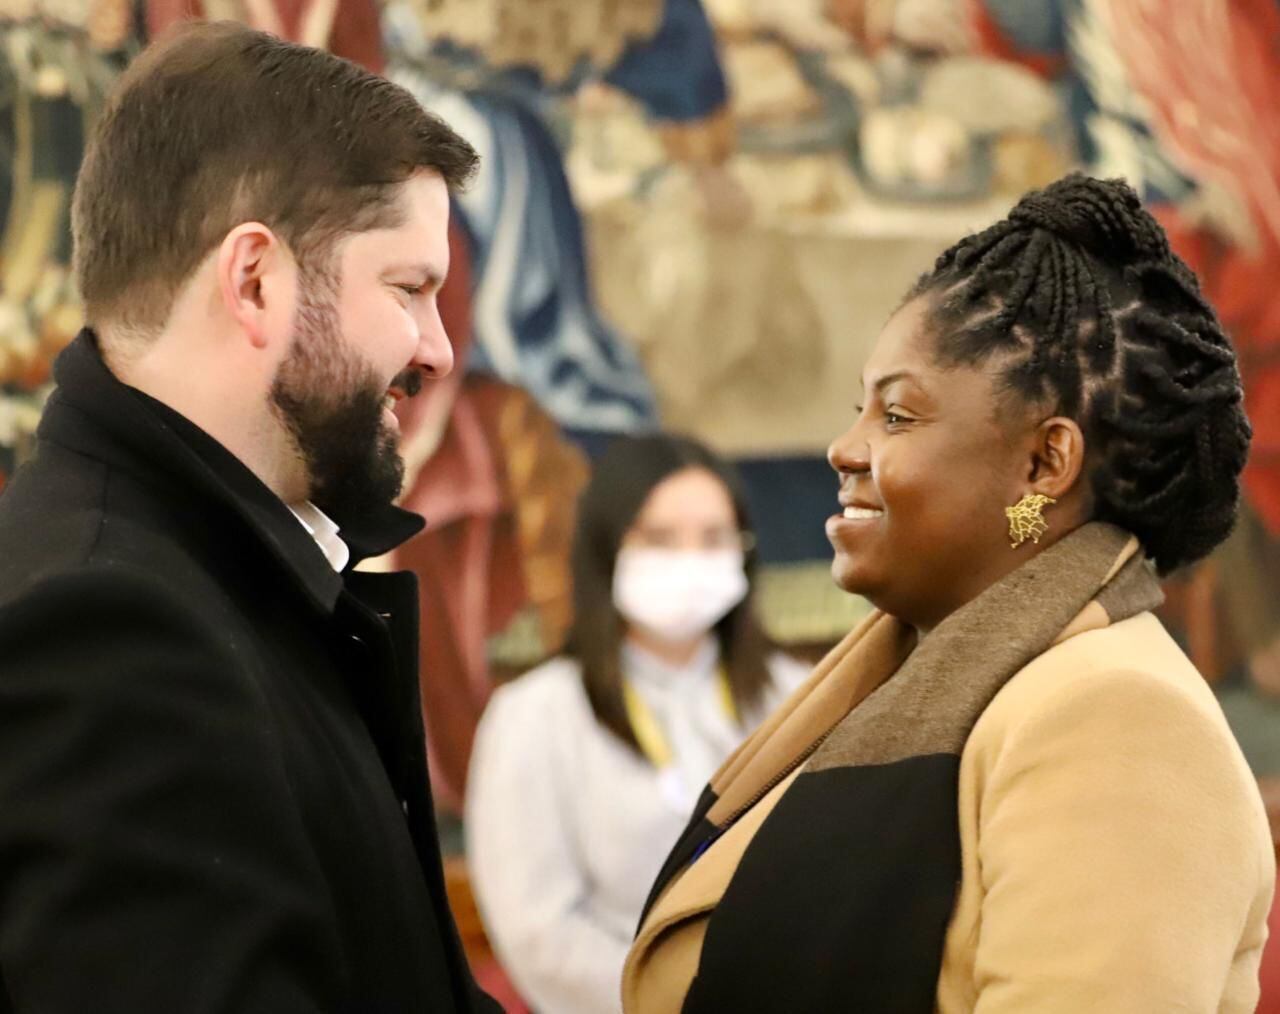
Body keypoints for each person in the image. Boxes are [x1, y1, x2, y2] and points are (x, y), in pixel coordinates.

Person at [624, 175, 1275, 1013]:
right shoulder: (924, 681)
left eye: (896, 417)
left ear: (1043, 466)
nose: (843, 449)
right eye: (858, 409)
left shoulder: (1114, 717)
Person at [0, 22, 499, 1013]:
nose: (440, 352)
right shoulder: (115, 633)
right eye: (409, 289)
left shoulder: (215, 574)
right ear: (256, 281)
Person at [466, 433, 807, 1014]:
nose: (690, 559)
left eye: (713, 537)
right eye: (659, 538)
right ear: (607, 550)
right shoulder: (535, 717)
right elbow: (539, 929)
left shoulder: (799, 698)